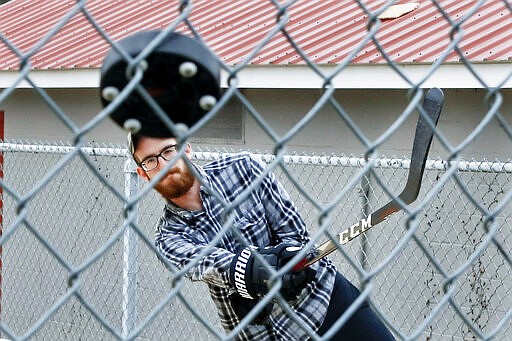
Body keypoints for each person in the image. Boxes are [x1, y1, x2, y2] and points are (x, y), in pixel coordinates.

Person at [129, 133, 395, 340]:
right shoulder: (169, 237)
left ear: (185, 147)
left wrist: (290, 259)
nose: (164, 164)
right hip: (262, 334)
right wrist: (253, 273)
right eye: (150, 160)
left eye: (168, 150)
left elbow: (294, 233)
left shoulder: (244, 169)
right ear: (143, 173)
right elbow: (209, 264)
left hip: (325, 304)